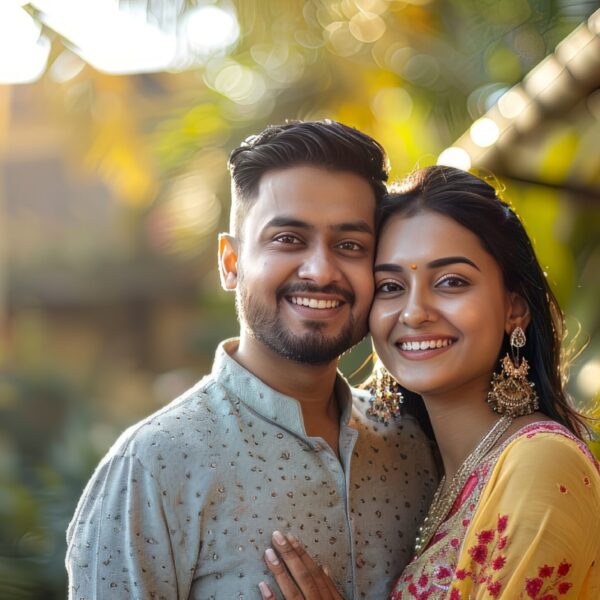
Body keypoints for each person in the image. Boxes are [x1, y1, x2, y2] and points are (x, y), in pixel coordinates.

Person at [65, 121, 437, 599]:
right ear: (230, 261)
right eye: (288, 239)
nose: (321, 270)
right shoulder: (156, 464)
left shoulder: (411, 443)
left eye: (350, 246)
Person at [259, 166, 600, 599]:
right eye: (390, 286)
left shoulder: (539, 462)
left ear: (514, 307)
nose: (415, 312)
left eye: (451, 282)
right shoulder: (435, 472)